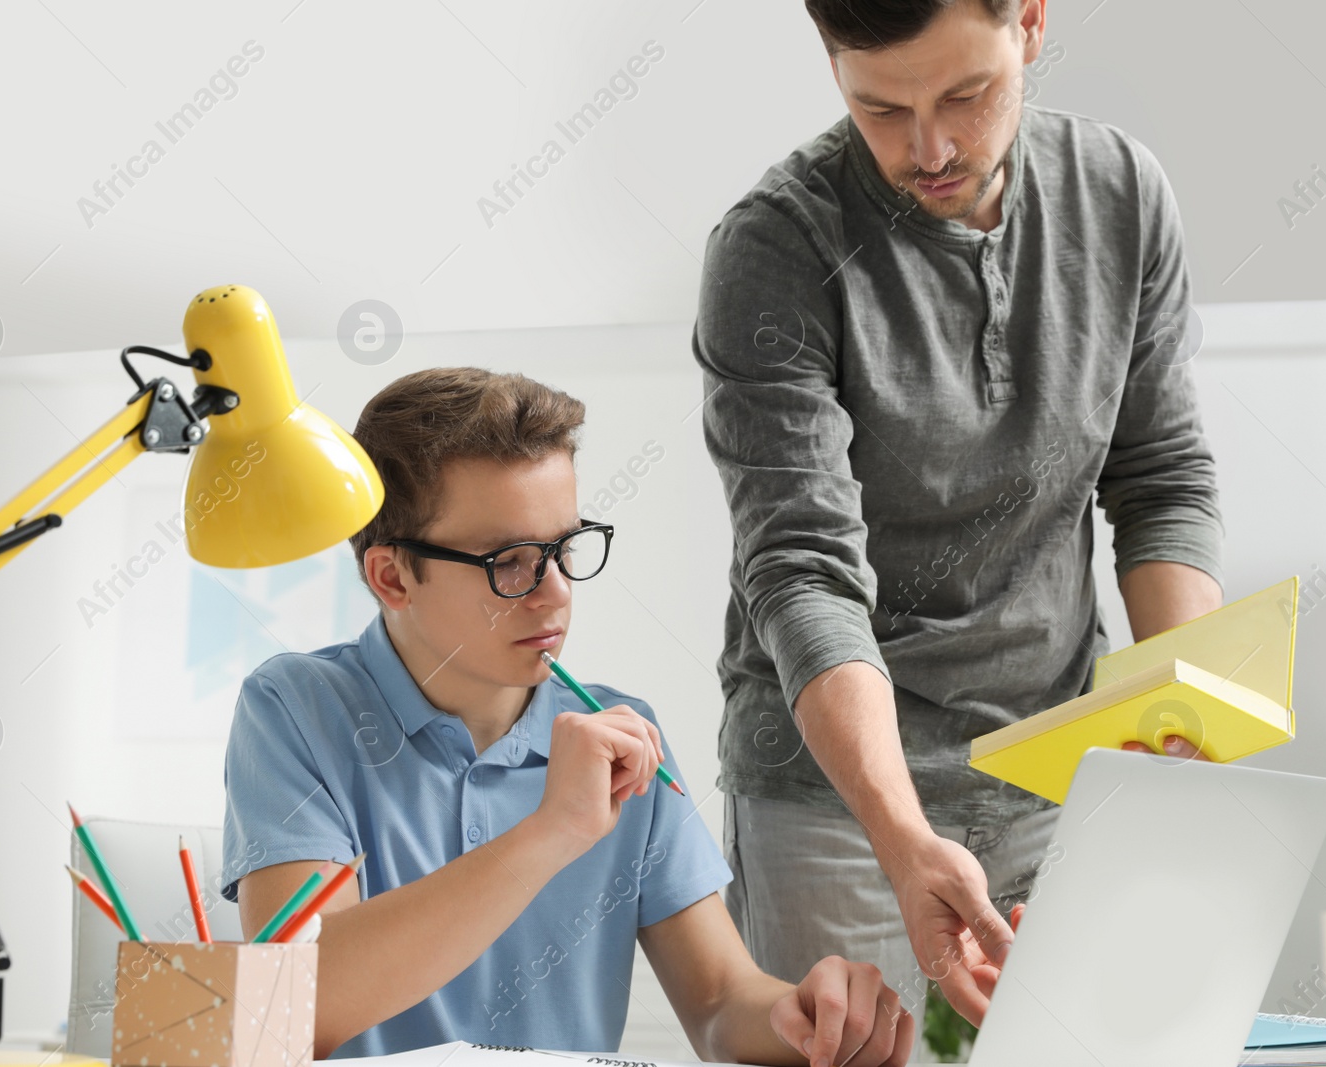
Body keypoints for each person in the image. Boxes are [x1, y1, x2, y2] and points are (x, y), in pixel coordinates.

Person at [691, 0, 1223, 1030]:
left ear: (1028, 21)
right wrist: (900, 835)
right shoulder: (776, 247)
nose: (927, 148)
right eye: (879, 107)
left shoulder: (1120, 192)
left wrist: (1178, 703)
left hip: (1065, 772)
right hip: (839, 808)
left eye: (965, 96)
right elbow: (802, 569)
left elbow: (1159, 477)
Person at [222, 368, 914, 1067]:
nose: (554, 594)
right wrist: (552, 831)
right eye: (509, 562)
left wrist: (807, 1019)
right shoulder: (293, 709)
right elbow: (296, 1010)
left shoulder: (624, 732)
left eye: (564, 548)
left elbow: (718, 1001)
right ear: (392, 576)